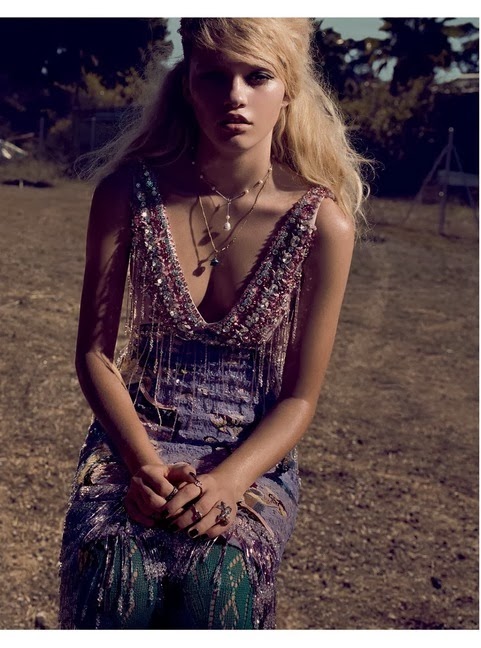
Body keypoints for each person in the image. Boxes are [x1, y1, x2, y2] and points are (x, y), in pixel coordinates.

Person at [59, 17, 369, 630]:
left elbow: (300, 398)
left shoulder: (322, 225)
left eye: (258, 76)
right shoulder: (128, 193)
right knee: (116, 578)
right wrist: (142, 465)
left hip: (249, 456)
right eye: (212, 76)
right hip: (132, 441)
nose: (234, 97)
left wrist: (230, 479)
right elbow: (95, 355)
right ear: (185, 84)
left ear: (289, 88)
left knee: (217, 586)